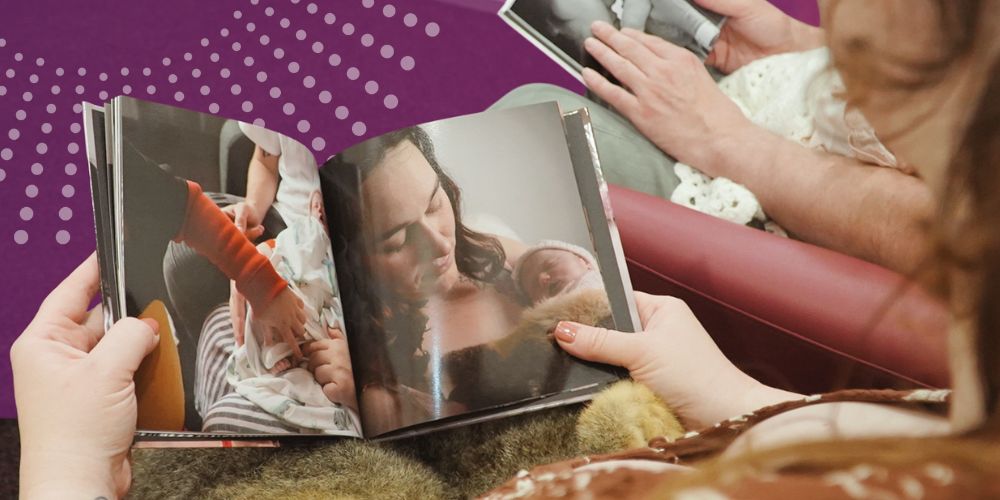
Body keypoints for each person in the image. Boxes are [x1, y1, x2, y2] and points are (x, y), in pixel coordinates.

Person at [482, 0, 1000, 495]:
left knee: (532, 117)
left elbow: (952, 220)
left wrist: (729, 141)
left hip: (782, 193)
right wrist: (805, 49)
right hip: (793, 110)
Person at [495, 0, 932, 276]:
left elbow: (949, 233)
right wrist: (798, 46)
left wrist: (727, 141)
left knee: (530, 127)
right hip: (783, 93)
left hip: (799, 206)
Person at [513, 240, 605, 305]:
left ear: (584, 261)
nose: (542, 278)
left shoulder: (597, 280)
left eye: (550, 265)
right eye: (534, 286)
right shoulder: (550, 314)